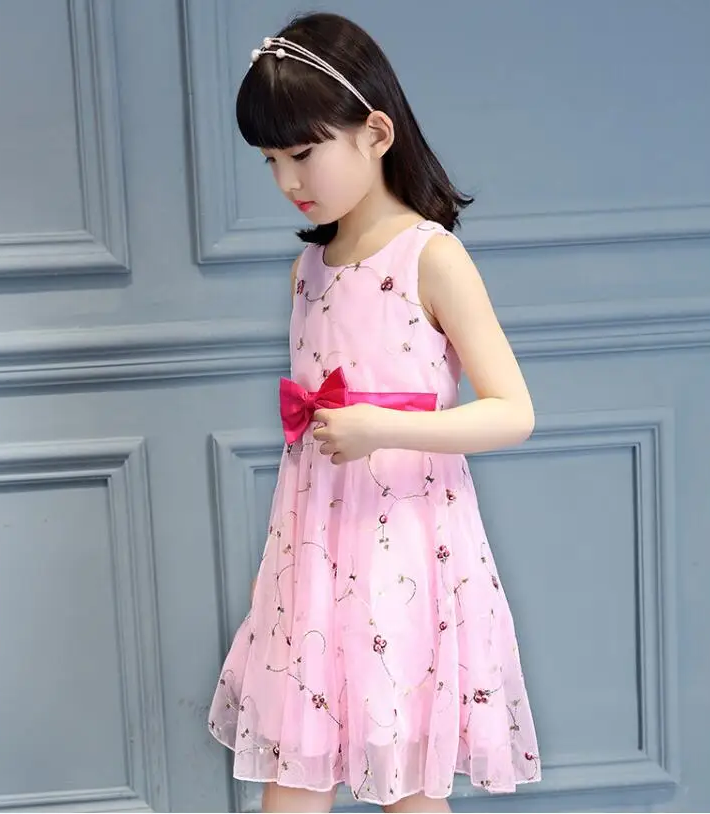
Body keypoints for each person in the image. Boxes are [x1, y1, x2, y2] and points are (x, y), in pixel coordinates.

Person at [207, 12, 541, 813]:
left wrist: (381, 426)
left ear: (376, 133)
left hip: (407, 553)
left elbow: (513, 412)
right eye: (271, 160)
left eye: (303, 152)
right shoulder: (307, 270)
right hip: (314, 556)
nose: (288, 180)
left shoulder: (431, 257)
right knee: (293, 775)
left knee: (407, 785)